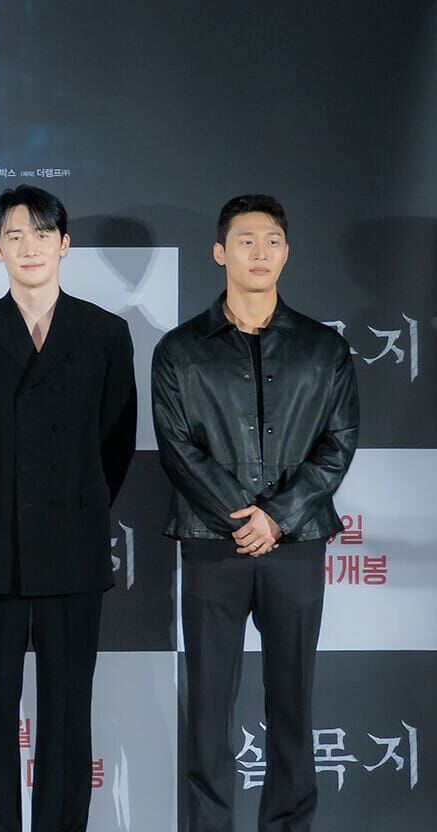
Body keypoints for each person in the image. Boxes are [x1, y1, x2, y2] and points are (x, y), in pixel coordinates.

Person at [0, 185, 137, 832]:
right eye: (13, 235)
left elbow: (115, 443)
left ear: (64, 244)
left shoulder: (105, 334)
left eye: (42, 233)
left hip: (73, 550)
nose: (29, 246)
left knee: (68, 715)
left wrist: (70, 504)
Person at [152, 194, 358, 832]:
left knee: (293, 705)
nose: (259, 252)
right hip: (212, 546)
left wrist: (279, 517)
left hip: (296, 546)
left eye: (271, 241)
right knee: (208, 712)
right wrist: (244, 517)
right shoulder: (180, 350)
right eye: (245, 241)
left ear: (287, 253)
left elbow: (338, 444)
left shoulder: (324, 348)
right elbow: (177, 448)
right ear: (220, 253)